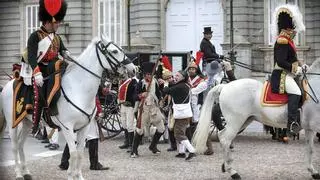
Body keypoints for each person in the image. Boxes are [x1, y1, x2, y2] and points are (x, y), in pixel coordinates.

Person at [28, 0, 70, 133]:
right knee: (39, 95)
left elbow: (63, 51)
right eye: (56, 22)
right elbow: (31, 57)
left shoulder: (57, 37)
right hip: (40, 69)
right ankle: (37, 122)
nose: (58, 24)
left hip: (55, 68)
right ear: (48, 21)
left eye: (58, 22)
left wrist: (67, 53)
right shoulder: (35, 36)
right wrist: (37, 73)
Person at [270, 6, 308, 136]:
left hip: (288, 73)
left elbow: (292, 58)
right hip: (282, 74)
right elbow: (281, 62)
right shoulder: (282, 40)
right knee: (297, 92)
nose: (294, 30)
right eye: (292, 27)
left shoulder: (288, 40)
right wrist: (295, 68)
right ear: (287, 27)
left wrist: (301, 66)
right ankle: (292, 123)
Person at [59, 96, 109, 170]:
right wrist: (99, 112)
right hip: (88, 114)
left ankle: (64, 162)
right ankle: (94, 164)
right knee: (93, 137)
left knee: (74, 138)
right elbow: (93, 98)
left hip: (76, 114)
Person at [130, 62, 165, 158]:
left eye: (151, 74)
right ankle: (134, 150)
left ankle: (153, 146)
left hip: (154, 109)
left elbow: (159, 93)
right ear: (144, 74)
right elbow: (134, 97)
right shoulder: (140, 83)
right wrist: (141, 95)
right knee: (140, 130)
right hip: (144, 109)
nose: (149, 76)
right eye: (147, 74)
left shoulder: (156, 82)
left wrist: (161, 99)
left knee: (161, 129)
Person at [162, 70, 196, 161]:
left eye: (177, 75)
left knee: (178, 133)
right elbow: (174, 86)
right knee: (181, 132)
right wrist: (170, 82)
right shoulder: (184, 85)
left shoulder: (180, 86)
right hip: (182, 113)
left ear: (183, 77)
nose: (175, 77)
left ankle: (192, 150)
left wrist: (165, 83)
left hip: (181, 114)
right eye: (175, 75)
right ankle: (181, 152)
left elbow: (166, 91)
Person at [118, 75, 138, 150]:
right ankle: (126, 142)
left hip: (129, 106)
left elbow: (135, 93)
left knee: (130, 125)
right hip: (122, 105)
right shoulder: (122, 82)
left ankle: (131, 144)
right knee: (124, 123)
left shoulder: (133, 81)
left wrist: (132, 104)